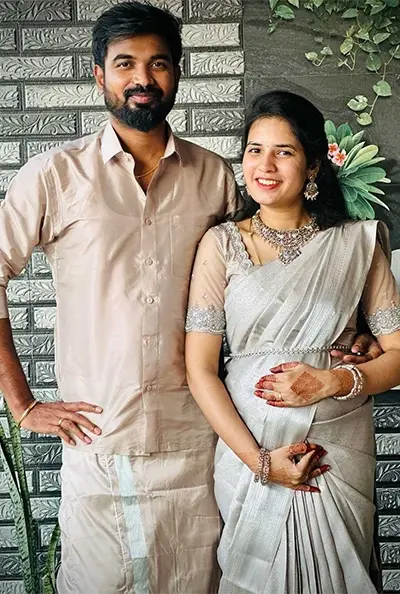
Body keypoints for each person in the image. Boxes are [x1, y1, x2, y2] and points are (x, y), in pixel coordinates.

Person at [0, 2, 380, 592]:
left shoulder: (214, 177)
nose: (143, 78)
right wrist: (24, 405)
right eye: (125, 63)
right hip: (104, 442)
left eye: (158, 63)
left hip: (201, 445)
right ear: (98, 74)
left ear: (178, 72)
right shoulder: (54, 175)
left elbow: (270, 275)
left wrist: (352, 333)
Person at [185, 90, 400, 594]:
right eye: (254, 150)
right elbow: (199, 369)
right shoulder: (222, 244)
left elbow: (398, 355)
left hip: (335, 453)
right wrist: (260, 463)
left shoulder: (356, 243)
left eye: (283, 151)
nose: (265, 165)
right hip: (251, 453)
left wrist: (333, 380)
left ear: (312, 166)